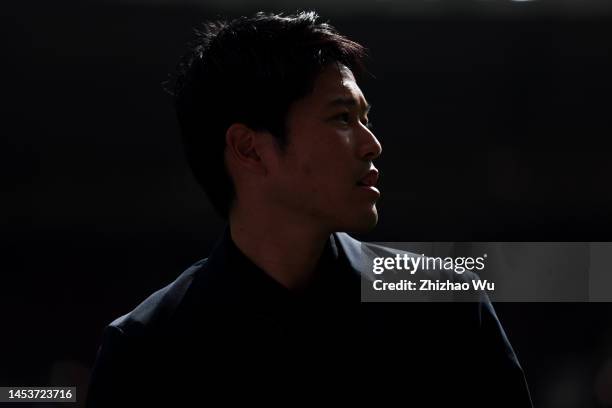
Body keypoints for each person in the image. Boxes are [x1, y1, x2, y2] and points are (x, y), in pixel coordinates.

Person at [86, 11, 532, 407]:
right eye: (341, 117)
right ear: (250, 149)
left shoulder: (444, 309)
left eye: (365, 118)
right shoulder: (147, 350)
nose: (371, 144)